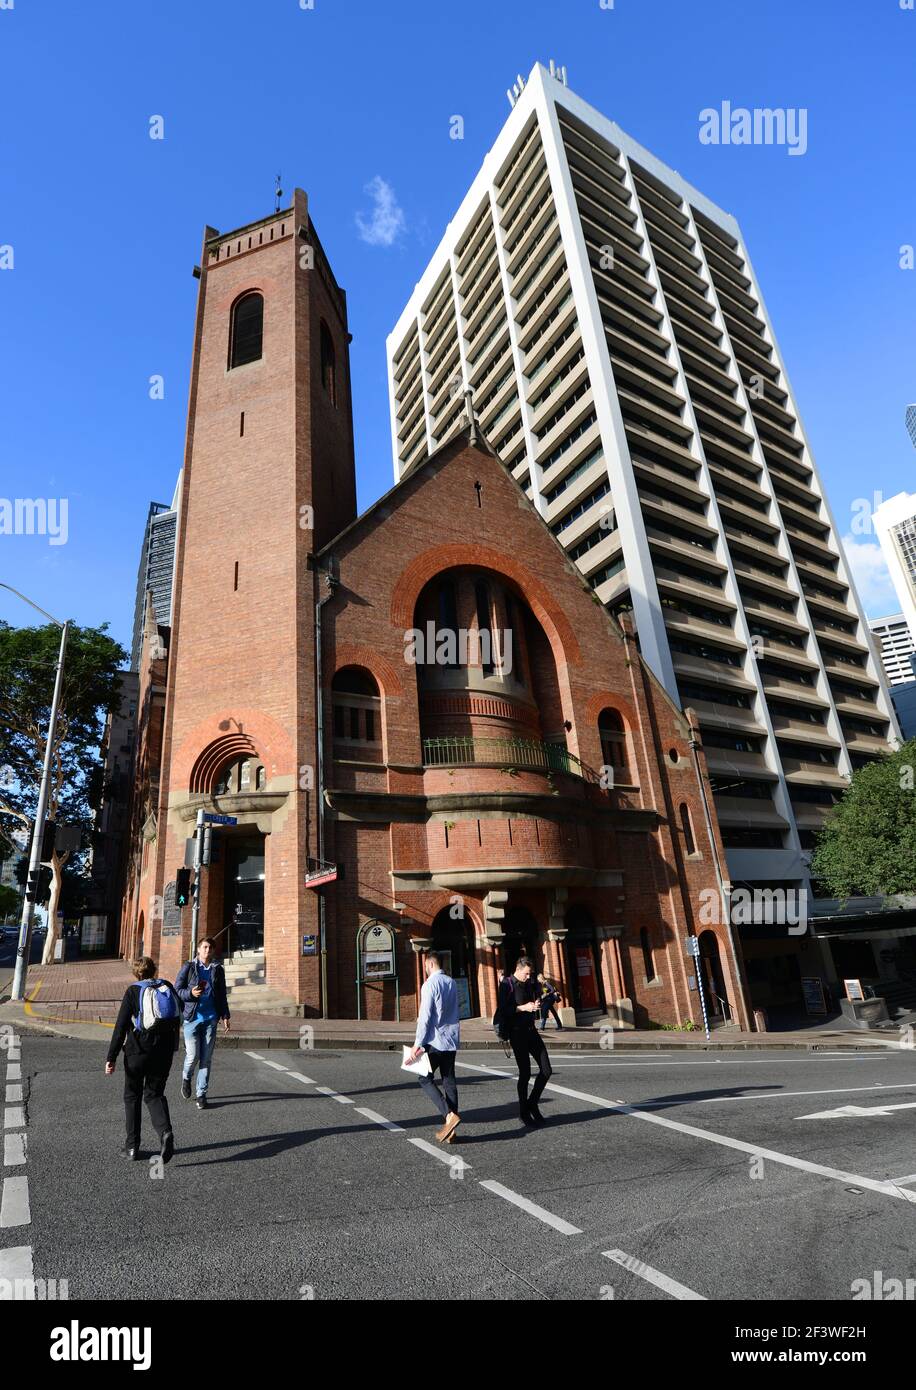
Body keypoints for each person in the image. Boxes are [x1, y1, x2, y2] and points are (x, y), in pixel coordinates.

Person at [105, 957, 180, 1161]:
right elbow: (177, 1015)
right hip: (163, 1051)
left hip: (138, 1050)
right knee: (154, 1094)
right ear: (154, 971)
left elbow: (120, 1027)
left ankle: (132, 1148)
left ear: (136, 973)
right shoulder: (167, 986)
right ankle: (165, 1132)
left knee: (132, 1096)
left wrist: (110, 1057)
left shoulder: (133, 991)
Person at [405, 952, 461, 1143]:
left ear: (429, 964)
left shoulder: (430, 984)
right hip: (451, 1039)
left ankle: (448, 1116)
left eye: (425, 966)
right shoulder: (451, 982)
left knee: (424, 1078)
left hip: (435, 1041)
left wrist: (417, 1044)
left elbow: (426, 1017)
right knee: (449, 1081)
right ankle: (451, 1130)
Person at [175, 937, 230, 1109]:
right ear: (198, 950)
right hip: (191, 1018)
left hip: (210, 1019)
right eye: (205, 947)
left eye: (210, 948)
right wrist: (190, 993)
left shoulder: (217, 969)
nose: (207, 950)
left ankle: (202, 1094)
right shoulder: (189, 967)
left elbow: (221, 995)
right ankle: (186, 1077)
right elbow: (177, 990)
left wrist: (225, 1015)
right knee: (193, 1056)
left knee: (206, 1059)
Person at [498, 956, 553, 1126]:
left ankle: (532, 1103)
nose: (529, 976)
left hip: (531, 1031)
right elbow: (503, 1010)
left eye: (530, 974)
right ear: (518, 968)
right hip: (517, 1034)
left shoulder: (530, 983)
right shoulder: (507, 984)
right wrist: (524, 1008)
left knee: (546, 1070)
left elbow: (542, 992)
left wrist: (536, 1002)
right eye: (527, 973)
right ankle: (524, 1111)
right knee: (525, 1073)